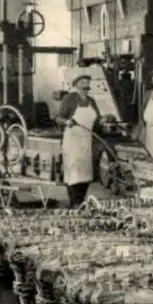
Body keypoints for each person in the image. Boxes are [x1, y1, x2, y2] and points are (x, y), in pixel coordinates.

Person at [56, 74, 101, 208]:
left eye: (87, 82)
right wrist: (67, 121)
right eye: (82, 83)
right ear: (76, 85)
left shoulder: (91, 101)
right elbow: (58, 118)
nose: (86, 85)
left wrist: (104, 119)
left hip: (86, 140)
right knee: (74, 172)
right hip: (73, 140)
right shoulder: (69, 99)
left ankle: (81, 201)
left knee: (85, 173)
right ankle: (73, 201)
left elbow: (97, 119)